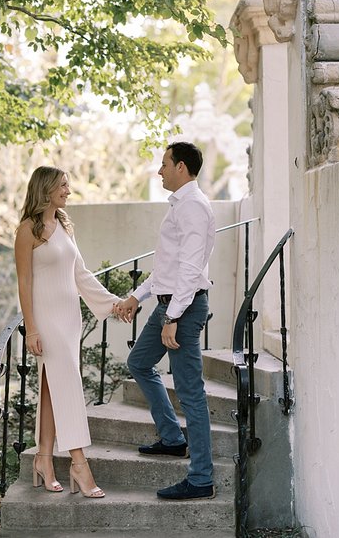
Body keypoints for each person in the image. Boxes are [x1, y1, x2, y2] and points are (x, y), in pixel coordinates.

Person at [14, 166, 125, 499]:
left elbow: (81, 273)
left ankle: (44, 460)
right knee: (69, 387)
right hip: (46, 319)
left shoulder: (63, 225)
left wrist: (113, 303)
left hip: (69, 318)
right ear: (46, 189)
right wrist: (31, 327)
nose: (69, 190)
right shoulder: (26, 231)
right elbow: (24, 282)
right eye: (63, 185)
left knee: (53, 388)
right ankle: (78, 462)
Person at [115, 141, 216, 501]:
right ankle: (173, 438)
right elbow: (167, 269)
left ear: (182, 167)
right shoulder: (180, 206)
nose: (159, 171)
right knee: (139, 362)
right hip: (167, 306)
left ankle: (202, 478)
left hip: (181, 310)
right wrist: (136, 297)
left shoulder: (193, 208)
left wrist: (172, 316)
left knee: (191, 394)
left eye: (164, 164)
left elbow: (189, 271)